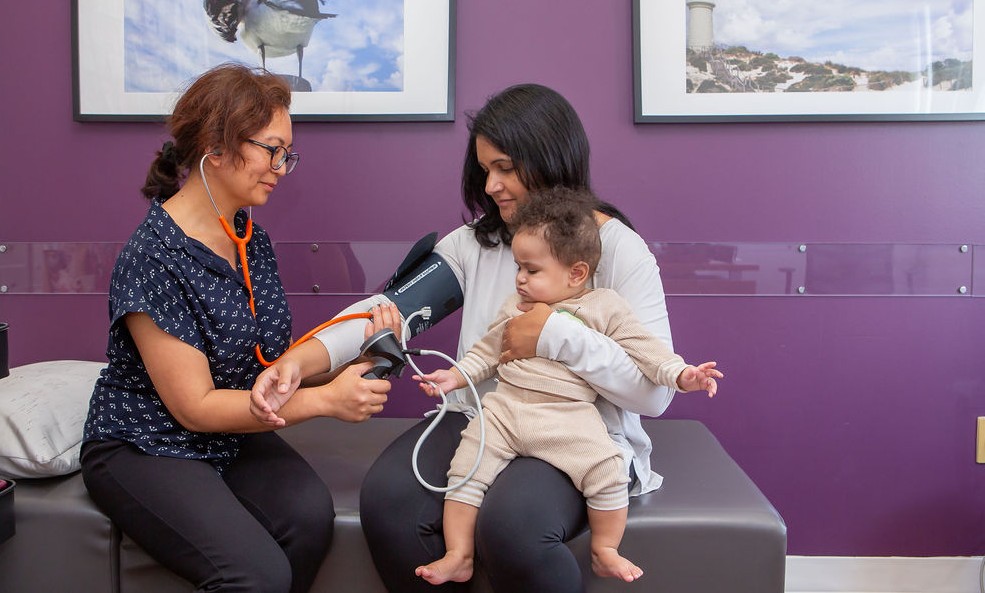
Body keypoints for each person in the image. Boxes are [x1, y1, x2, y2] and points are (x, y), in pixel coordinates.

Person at [252, 82, 687, 592]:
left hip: (578, 429)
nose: (493, 185)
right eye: (485, 170)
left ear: (550, 157)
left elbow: (655, 395)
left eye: (505, 167)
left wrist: (554, 337)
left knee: (513, 526)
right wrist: (298, 363)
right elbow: (382, 310)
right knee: (389, 501)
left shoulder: (618, 249)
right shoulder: (478, 242)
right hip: (484, 418)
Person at [80, 63, 400, 593]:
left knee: (307, 517)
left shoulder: (251, 238)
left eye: (286, 153)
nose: (282, 166)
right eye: (272, 150)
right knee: (255, 574)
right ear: (217, 145)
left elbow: (264, 367)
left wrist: (351, 367)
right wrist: (325, 403)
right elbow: (195, 406)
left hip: (228, 430)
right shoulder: (151, 257)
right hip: (146, 443)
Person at [411, 188, 722, 586]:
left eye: (532, 270)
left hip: (567, 418)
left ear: (576, 273)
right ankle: (459, 555)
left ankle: (606, 548)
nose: (521, 279)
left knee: (606, 471)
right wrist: (453, 377)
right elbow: (486, 352)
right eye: (518, 268)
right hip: (505, 412)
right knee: (464, 471)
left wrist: (681, 375)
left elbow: (647, 351)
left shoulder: (604, 307)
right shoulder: (514, 307)